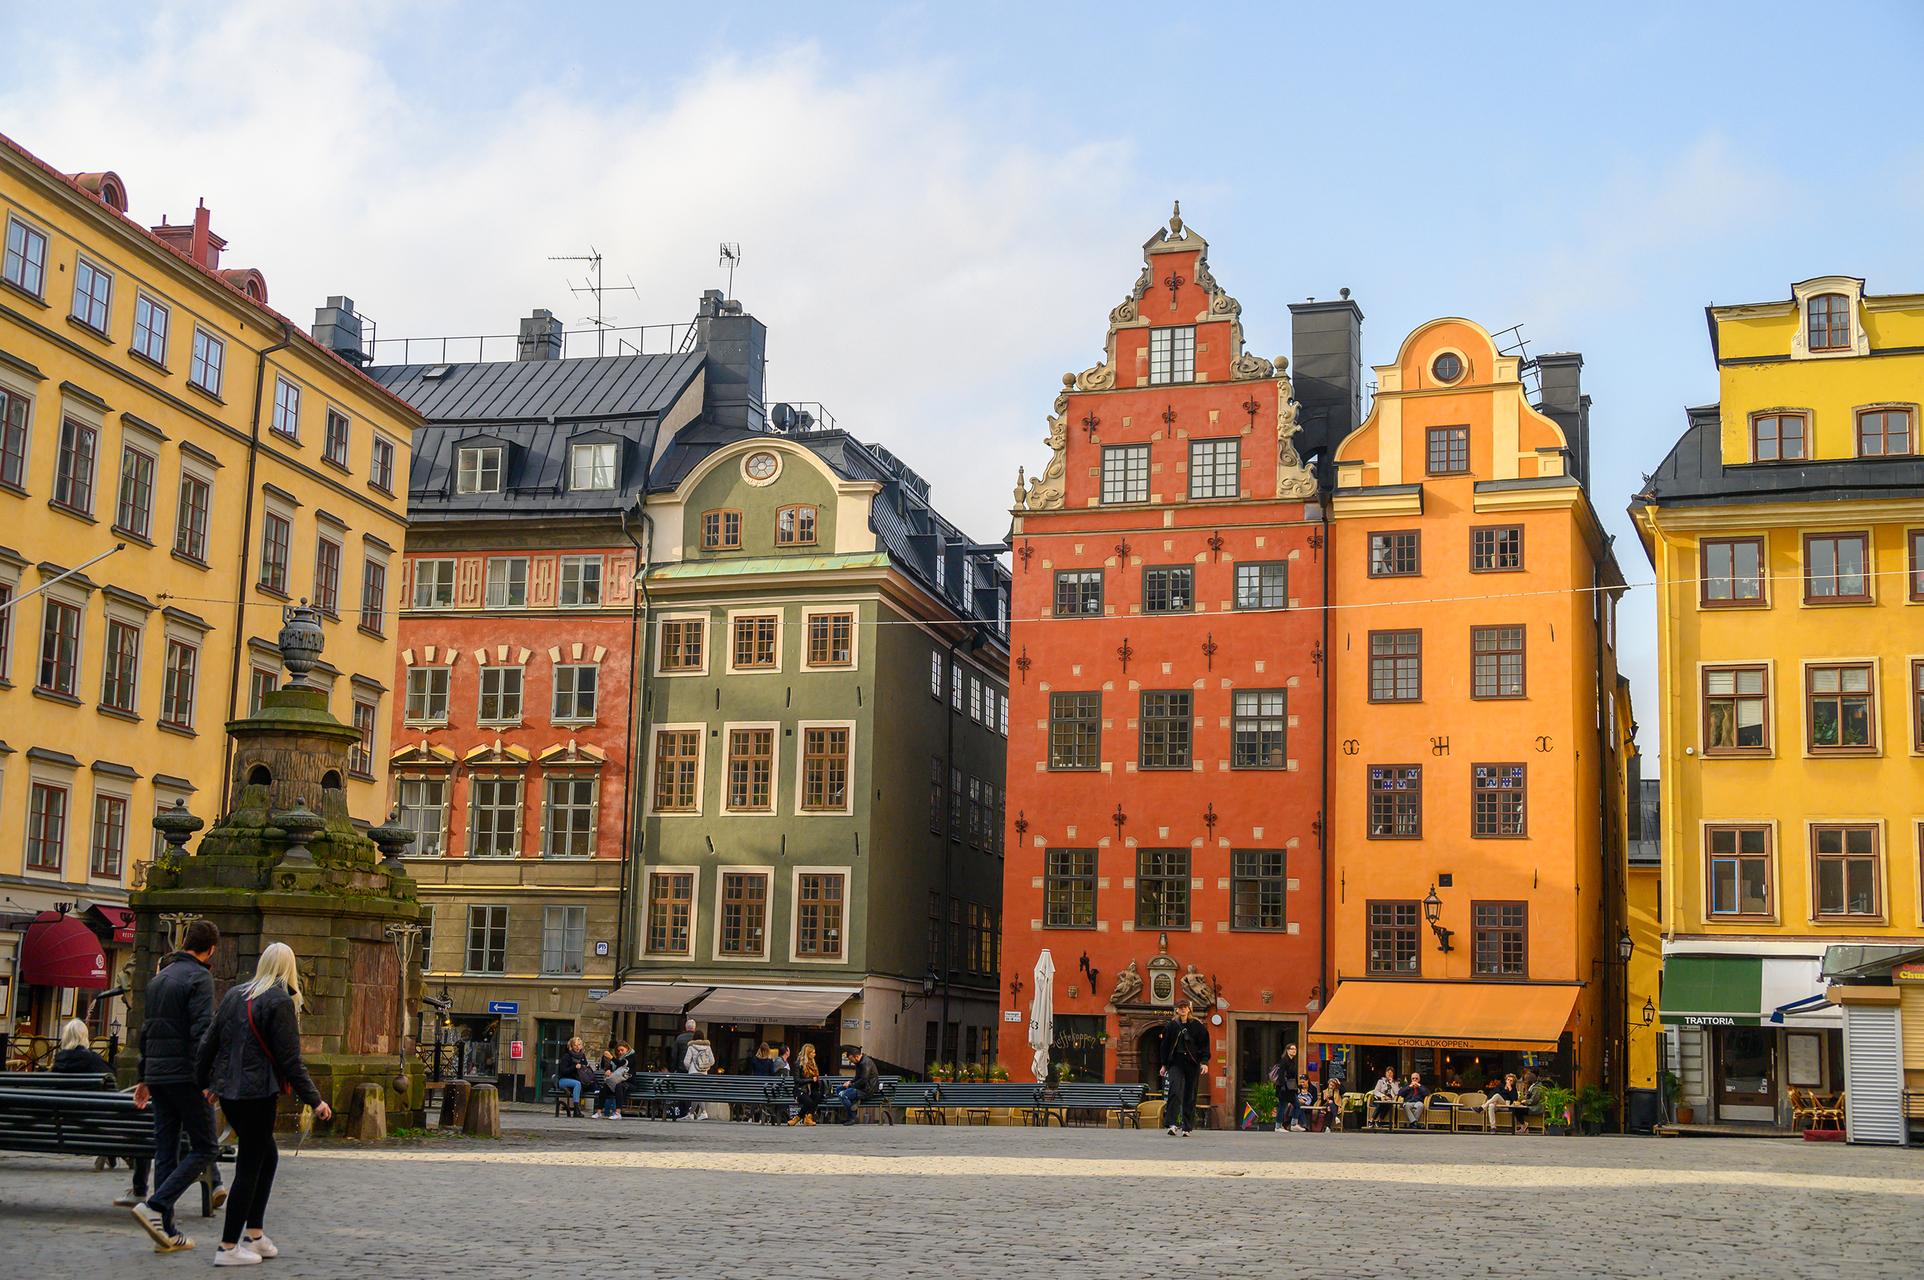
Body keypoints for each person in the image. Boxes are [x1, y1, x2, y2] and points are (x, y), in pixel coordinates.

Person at [195, 941, 331, 1266]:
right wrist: (315, 1100)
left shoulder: (235, 994)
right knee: (249, 1167)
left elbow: (209, 1042)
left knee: (267, 1157)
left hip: (231, 1094)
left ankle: (254, 1235)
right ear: (289, 968)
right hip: (258, 1096)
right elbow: (290, 1060)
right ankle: (228, 1246)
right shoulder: (280, 1002)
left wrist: (206, 1083)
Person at [128, 919, 222, 1254]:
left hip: (158, 1075)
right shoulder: (199, 978)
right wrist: (208, 1079)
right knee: (206, 1147)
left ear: (184, 942)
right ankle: (156, 1206)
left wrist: (143, 1077)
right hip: (185, 1076)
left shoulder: (159, 978)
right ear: (211, 949)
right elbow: (202, 1032)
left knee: (166, 1150)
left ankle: (166, 1230)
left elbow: (147, 1030)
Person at [1158, 999, 1209, 1136]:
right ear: (1176, 1009)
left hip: (1192, 1063)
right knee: (1174, 1091)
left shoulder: (1197, 1026)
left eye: (1185, 1007)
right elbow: (1164, 1046)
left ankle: (1187, 1127)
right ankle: (1172, 1124)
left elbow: (1204, 1044)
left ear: (1189, 1009)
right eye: (1180, 1007)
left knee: (1190, 1094)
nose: (1183, 1009)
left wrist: (1204, 1062)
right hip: (1176, 1062)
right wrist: (1164, 1065)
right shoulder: (1171, 1026)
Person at [834, 1046, 880, 1123]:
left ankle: (852, 1118)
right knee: (838, 1089)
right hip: (861, 1087)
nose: (851, 1062)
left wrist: (850, 1085)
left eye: (851, 1060)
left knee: (843, 1095)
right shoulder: (859, 1063)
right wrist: (850, 1082)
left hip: (867, 1090)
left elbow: (863, 1080)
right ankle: (854, 1100)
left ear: (856, 1057)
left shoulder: (865, 1063)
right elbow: (857, 1078)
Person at [1271, 1041, 1303, 1133]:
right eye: (1292, 1049)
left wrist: (1297, 1087)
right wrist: (1282, 1087)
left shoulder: (1292, 1061)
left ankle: (1293, 1124)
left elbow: (1294, 1076)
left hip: (1291, 1088)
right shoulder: (1284, 1061)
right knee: (1282, 1107)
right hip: (1284, 1089)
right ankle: (1278, 1126)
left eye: (1295, 1049)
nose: (1294, 1051)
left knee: (1296, 1105)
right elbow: (1281, 1075)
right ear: (1287, 1050)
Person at [553, 1037, 591, 1116]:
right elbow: (563, 1071)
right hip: (563, 1080)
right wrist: (574, 1067)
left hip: (577, 1079)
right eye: (575, 1045)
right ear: (571, 1046)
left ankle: (578, 1109)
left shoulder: (582, 1056)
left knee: (583, 1083)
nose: (577, 1047)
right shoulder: (567, 1056)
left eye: (579, 1045)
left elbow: (585, 1068)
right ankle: (576, 1110)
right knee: (577, 1084)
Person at [790, 1043, 821, 1126]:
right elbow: (797, 1080)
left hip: (810, 1090)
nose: (814, 1055)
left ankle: (808, 1118)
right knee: (809, 1101)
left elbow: (815, 1078)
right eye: (813, 1053)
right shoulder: (798, 1064)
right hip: (800, 1090)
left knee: (817, 1096)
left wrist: (817, 1081)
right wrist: (811, 1080)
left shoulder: (813, 1064)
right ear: (807, 1053)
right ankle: (797, 1118)